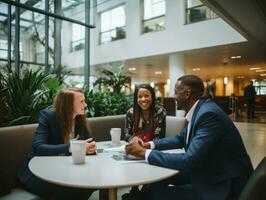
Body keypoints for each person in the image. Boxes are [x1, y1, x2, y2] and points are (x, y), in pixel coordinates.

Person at [126, 75, 253, 200]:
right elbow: (179, 139)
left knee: (155, 194)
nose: (174, 97)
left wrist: (143, 153)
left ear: (187, 94)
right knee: (155, 181)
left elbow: (189, 160)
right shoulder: (200, 110)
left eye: (176, 93)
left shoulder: (208, 114)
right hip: (207, 170)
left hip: (221, 184)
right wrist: (148, 145)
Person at [17, 88, 96, 200]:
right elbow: (38, 147)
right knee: (67, 190)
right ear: (69, 104)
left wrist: (91, 147)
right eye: (82, 101)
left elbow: (89, 141)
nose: (86, 104)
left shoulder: (80, 118)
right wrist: (71, 148)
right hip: (38, 172)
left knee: (88, 184)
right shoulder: (48, 117)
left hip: (65, 169)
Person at [123, 83, 166, 200]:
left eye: (146, 95)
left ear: (152, 96)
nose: (143, 99)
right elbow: (126, 134)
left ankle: (144, 192)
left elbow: (160, 137)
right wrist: (133, 139)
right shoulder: (131, 113)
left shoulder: (160, 112)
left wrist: (146, 146)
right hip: (135, 149)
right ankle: (135, 190)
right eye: (140, 96)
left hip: (152, 149)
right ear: (136, 98)